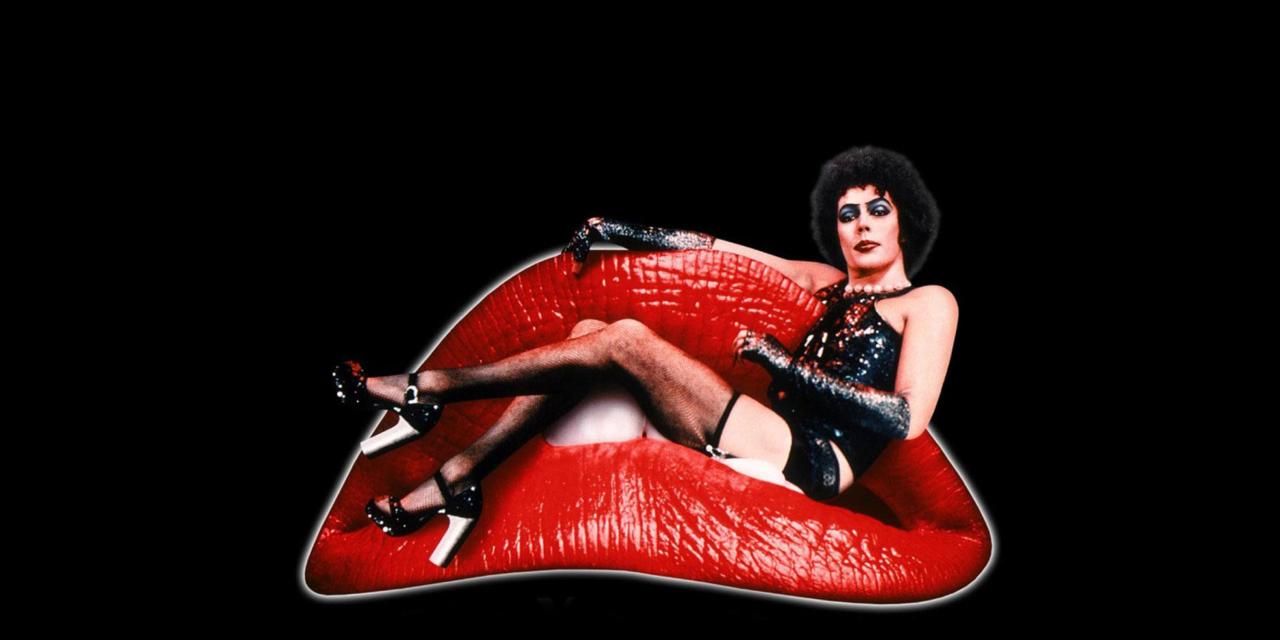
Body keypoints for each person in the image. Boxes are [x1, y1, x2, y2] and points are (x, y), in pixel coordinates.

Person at [331, 145, 958, 566]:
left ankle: (429, 390)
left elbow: (908, 419)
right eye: (848, 214)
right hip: (765, 432)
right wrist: (618, 231)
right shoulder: (821, 280)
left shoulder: (928, 302)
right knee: (591, 330)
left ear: (904, 222)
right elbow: (713, 251)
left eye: (878, 210)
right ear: (835, 228)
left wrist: (785, 367)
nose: (862, 224)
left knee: (625, 338)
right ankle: (459, 476)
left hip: (817, 461)